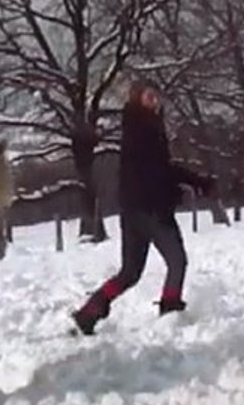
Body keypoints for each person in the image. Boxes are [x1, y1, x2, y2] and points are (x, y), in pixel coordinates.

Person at [71, 82, 215, 336]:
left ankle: (90, 311)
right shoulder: (144, 130)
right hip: (152, 209)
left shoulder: (135, 128)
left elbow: (156, 170)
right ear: (138, 99)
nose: (155, 100)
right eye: (149, 96)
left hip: (132, 210)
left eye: (155, 95)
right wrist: (193, 183)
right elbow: (159, 170)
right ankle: (170, 311)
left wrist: (185, 183)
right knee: (177, 261)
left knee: (130, 273)